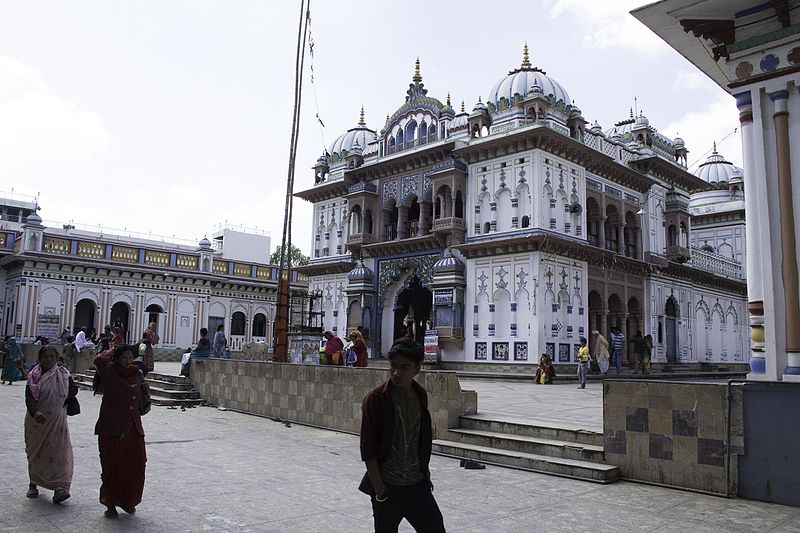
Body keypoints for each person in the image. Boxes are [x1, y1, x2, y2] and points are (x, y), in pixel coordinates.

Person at [359, 337, 446, 533]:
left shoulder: (420, 395)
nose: (397, 373)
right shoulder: (376, 399)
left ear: (417, 369)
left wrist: (425, 474)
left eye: (405, 367)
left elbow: (421, 439)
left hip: (418, 485)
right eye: (393, 366)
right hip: (388, 488)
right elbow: (368, 449)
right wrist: (380, 491)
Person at [93, 345, 147, 518]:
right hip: (112, 428)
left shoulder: (136, 373)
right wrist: (117, 346)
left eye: (131, 357)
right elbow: (99, 359)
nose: (128, 361)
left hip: (133, 429)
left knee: (134, 466)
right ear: (116, 358)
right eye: (124, 357)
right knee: (111, 467)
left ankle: (128, 501)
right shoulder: (109, 373)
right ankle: (110, 504)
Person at [24, 346, 77, 504]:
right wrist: (36, 412)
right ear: (39, 359)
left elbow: (73, 390)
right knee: (36, 453)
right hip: (36, 423)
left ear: (57, 358)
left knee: (58, 452)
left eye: (52, 357)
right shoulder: (33, 376)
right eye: (45, 357)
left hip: (57, 421)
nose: (49, 360)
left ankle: (59, 488)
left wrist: (60, 394)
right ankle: (33, 484)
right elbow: (29, 398)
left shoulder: (63, 374)